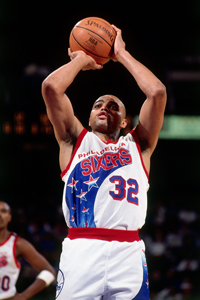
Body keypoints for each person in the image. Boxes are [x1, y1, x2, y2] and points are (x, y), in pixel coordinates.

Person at [42, 24, 167, 300]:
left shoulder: (138, 145)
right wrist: (80, 61)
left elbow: (157, 93)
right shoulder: (75, 141)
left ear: (124, 122)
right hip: (81, 249)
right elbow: (51, 88)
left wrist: (120, 53)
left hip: (128, 252)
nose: (104, 108)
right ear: (88, 118)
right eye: (98, 104)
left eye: (113, 106)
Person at [0, 201, 56, 300]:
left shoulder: (18, 244)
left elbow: (49, 272)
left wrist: (23, 296)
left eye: (3, 211)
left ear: (9, 217)